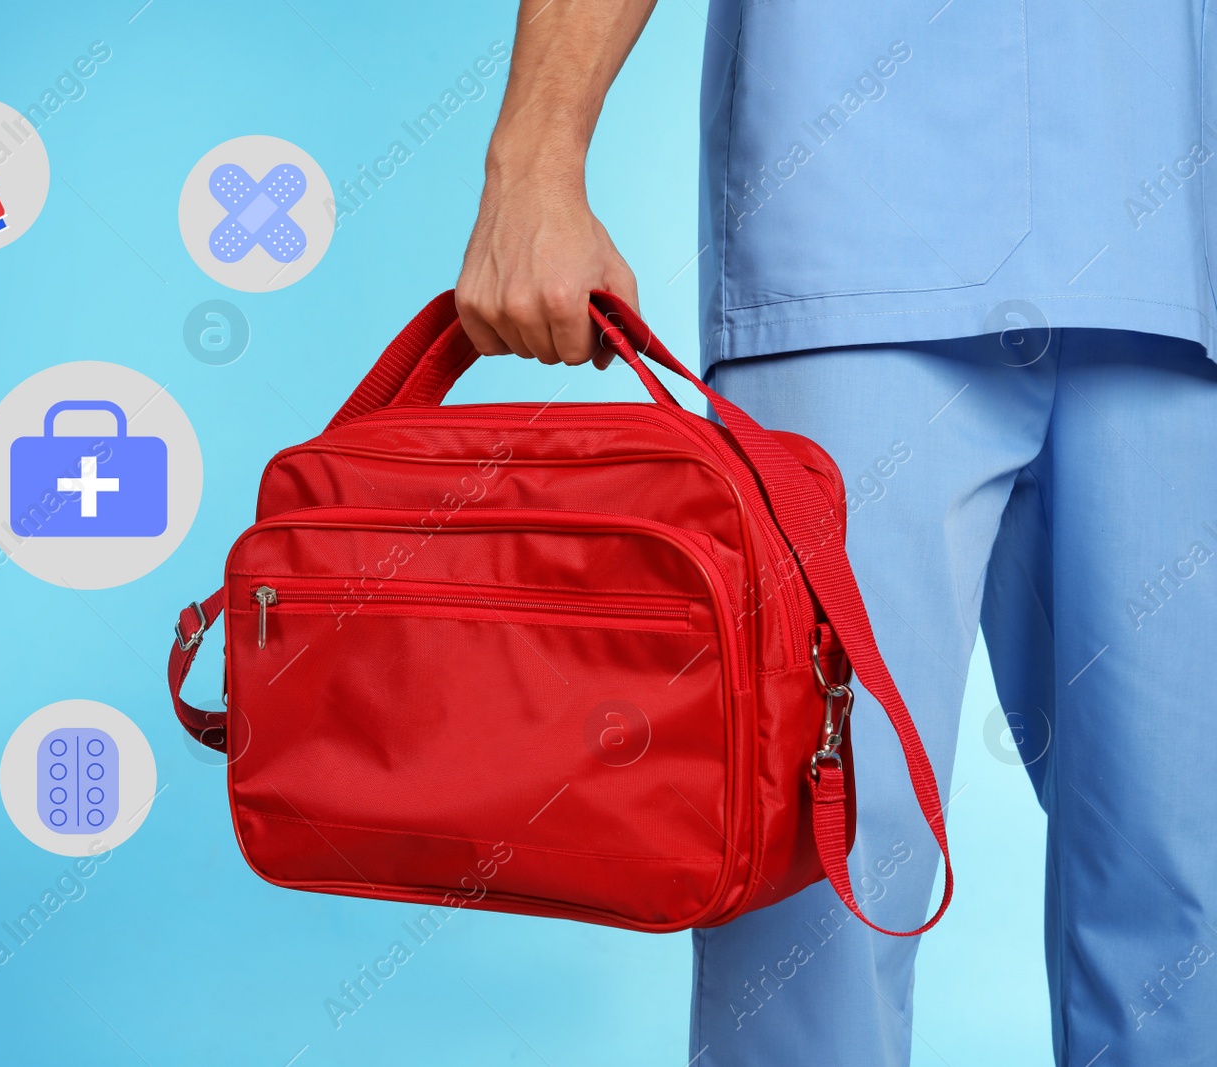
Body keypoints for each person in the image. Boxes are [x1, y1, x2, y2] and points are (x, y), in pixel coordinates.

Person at [456, 2, 1217, 1064]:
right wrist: (533, 157)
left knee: (1187, 896)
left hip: (1178, 251)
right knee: (812, 880)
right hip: (850, 228)